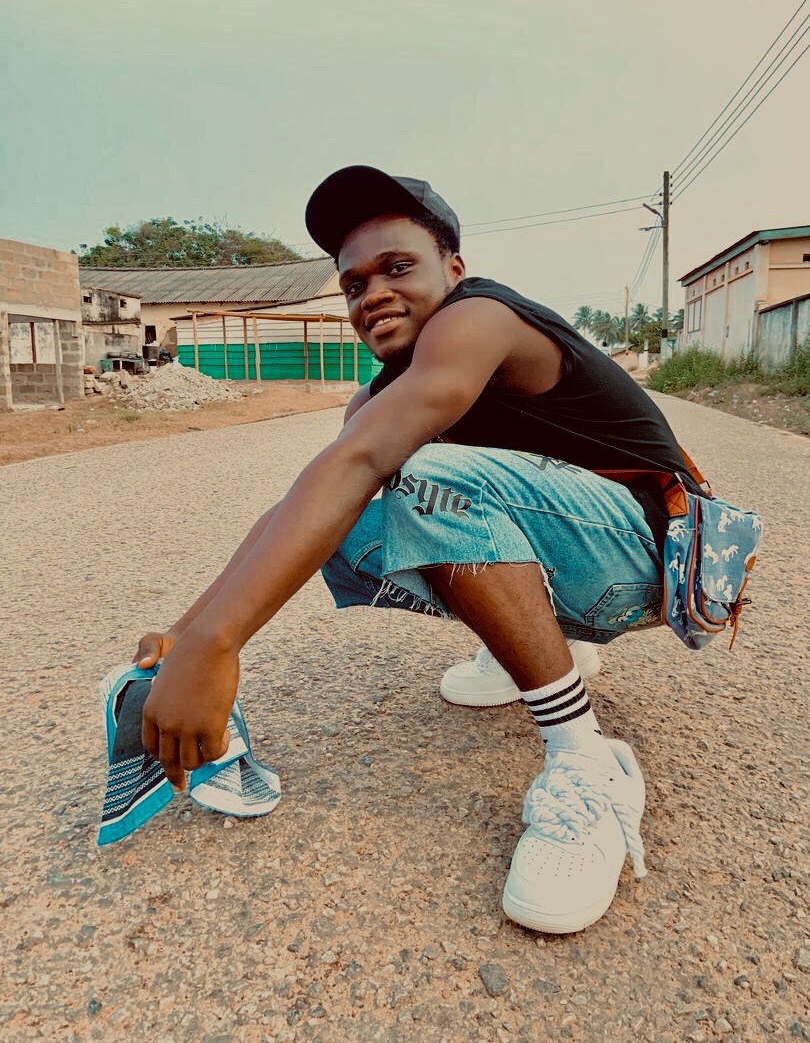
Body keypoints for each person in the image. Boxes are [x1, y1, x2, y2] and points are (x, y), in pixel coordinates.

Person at [134, 165, 703, 934]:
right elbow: (306, 501)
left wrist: (220, 643)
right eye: (354, 284)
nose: (373, 294)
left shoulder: (481, 320)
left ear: (454, 269)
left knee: (426, 478)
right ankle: (537, 647)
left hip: (655, 561)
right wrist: (187, 636)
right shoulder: (378, 396)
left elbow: (364, 460)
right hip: (578, 560)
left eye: (398, 267)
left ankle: (586, 762)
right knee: (334, 524)